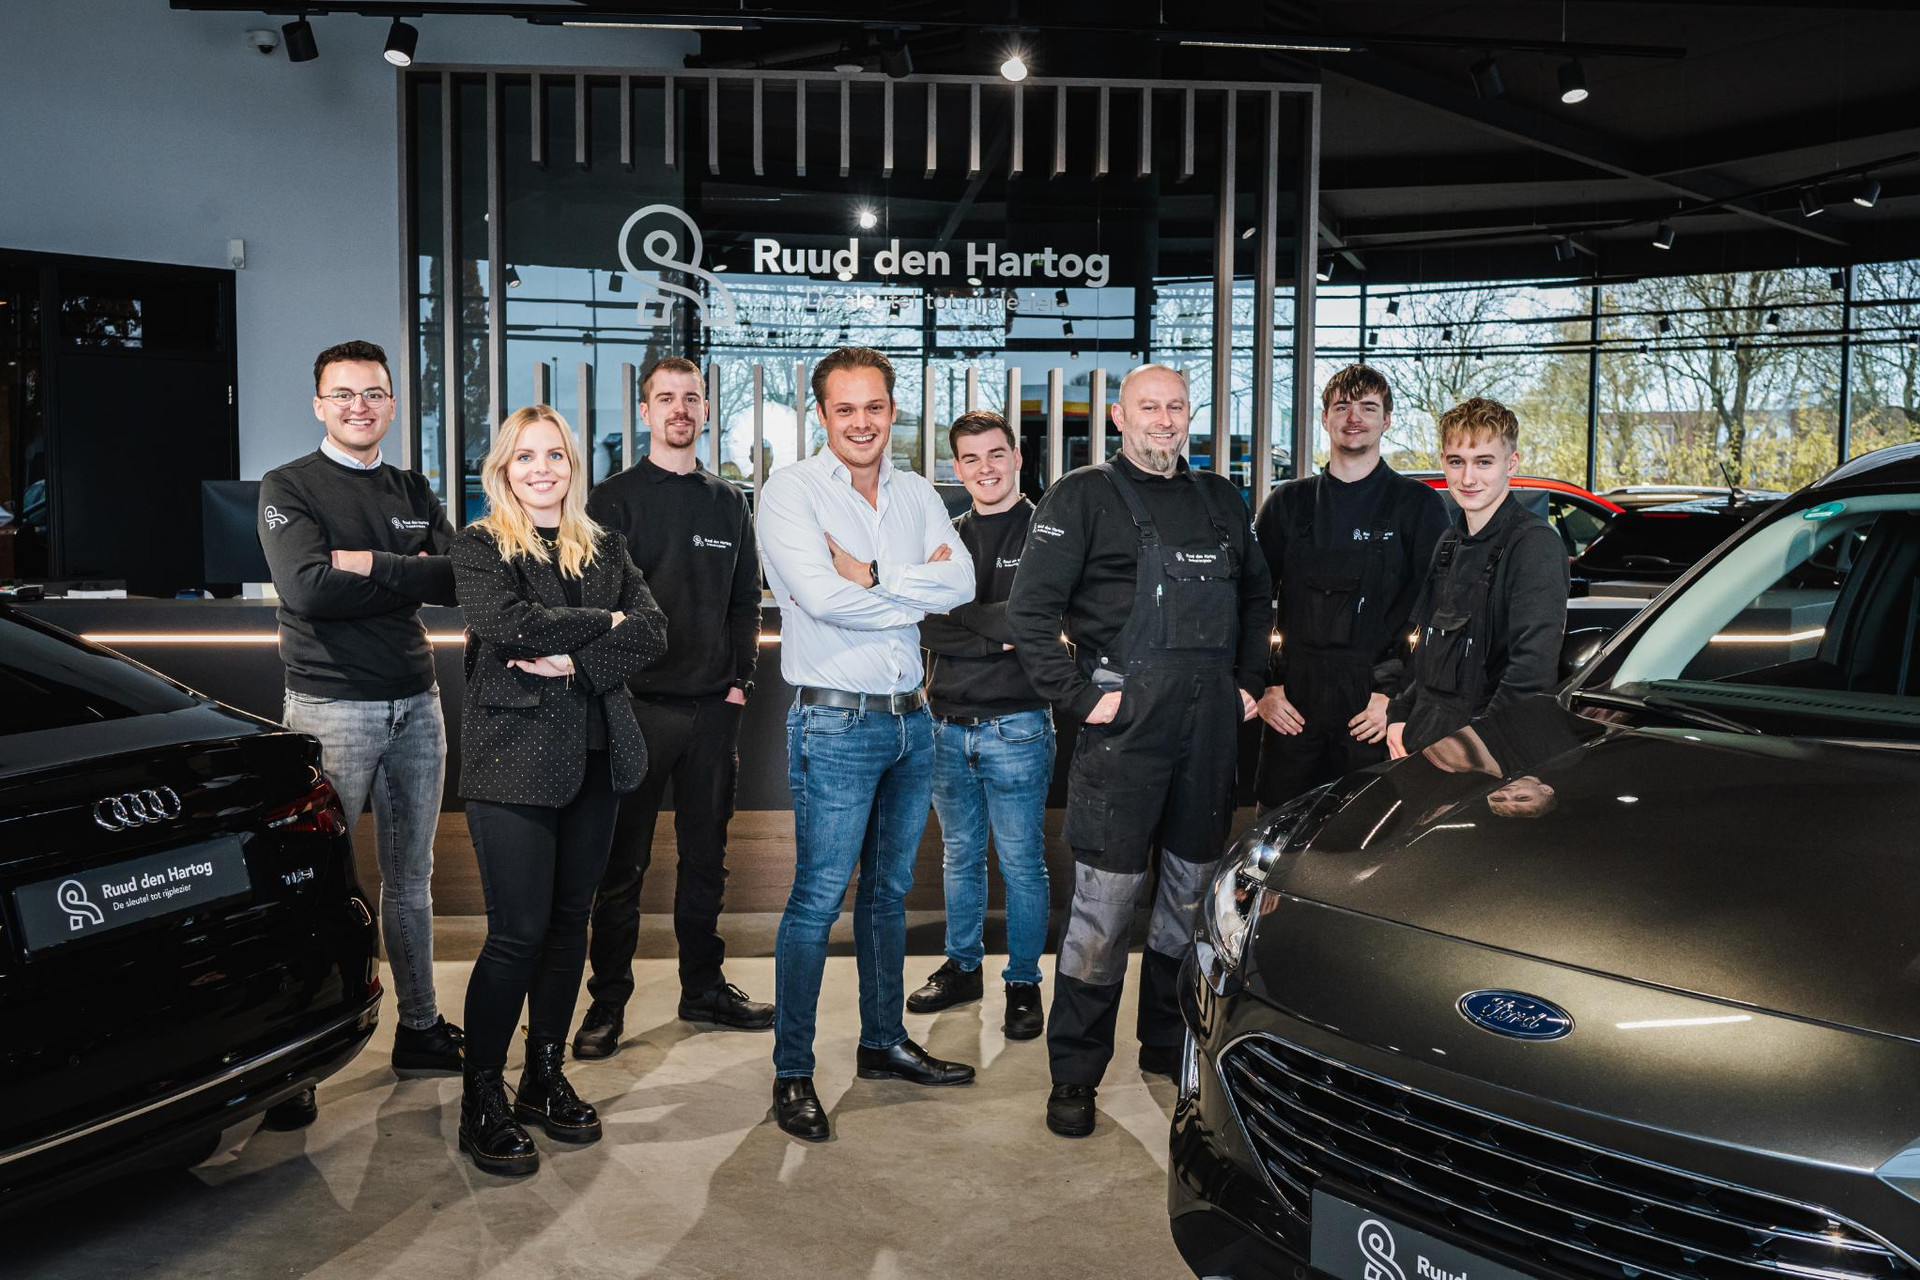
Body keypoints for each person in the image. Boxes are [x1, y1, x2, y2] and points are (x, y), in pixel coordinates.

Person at [1006, 363, 1271, 1139]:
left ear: (1189, 414)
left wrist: (1249, 681)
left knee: (1189, 899)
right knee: (1104, 908)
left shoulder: (1221, 499)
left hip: (1208, 732)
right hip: (1125, 736)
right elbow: (1030, 612)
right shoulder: (1081, 498)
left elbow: (1257, 596)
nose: (1164, 419)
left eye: (1175, 406)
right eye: (1148, 407)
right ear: (1120, 417)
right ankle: (1075, 1073)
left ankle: (1164, 1040)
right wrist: (1082, 697)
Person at [755, 346, 978, 1143]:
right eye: (845, 409)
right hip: (836, 723)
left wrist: (872, 574)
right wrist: (909, 586)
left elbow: (962, 586)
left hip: (913, 720)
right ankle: (793, 1071)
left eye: (874, 407)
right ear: (821, 415)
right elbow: (819, 598)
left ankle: (882, 1043)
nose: (861, 422)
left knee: (887, 896)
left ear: (893, 411)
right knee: (817, 900)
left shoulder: (917, 493)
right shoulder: (791, 491)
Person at [450, 405, 669, 1176]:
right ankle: (483, 1094)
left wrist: (578, 660)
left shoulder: (604, 545)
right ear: (503, 469)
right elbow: (509, 624)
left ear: (573, 467)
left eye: (555, 456)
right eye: (525, 457)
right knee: (517, 932)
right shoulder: (480, 545)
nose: (541, 469)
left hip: (598, 757)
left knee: (571, 922)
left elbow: (653, 629)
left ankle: (543, 1074)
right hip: (512, 762)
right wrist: (604, 619)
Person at [258, 339, 463, 1130]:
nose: (358, 406)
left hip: (417, 701)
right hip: (331, 707)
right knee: (315, 882)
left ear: (392, 404)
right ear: (319, 404)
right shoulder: (289, 486)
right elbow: (308, 589)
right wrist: (404, 572)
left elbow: (455, 578)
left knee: (410, 878)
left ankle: (421, 1028)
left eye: (373, 393)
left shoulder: (411, 487)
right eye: (342, 394)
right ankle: (298, 1061)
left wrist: (369, 565)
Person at [572, 357, 771, 1059]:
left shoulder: (728, 501)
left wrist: (739, 681)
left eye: (691, 397)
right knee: (621, 866)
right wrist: (610, 689)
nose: (679, 409)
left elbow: (745, 600)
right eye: (666, 398)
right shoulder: (612, 501)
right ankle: (607, 1003)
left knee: (706, 858)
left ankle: (703, 987)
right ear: (646, 410)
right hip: (634, 709)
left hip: (713, 710)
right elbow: (591, 607)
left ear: (706, 409)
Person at [910, 410, 1052, 1041]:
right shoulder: (944, 535)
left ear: (1017, 457)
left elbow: (1034, 623)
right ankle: (963, 967)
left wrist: (968, 616)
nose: (985, 468)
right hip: (945, 723)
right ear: (957, 467)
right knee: (961, 856)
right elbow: (923, 622)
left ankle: (1023, 982)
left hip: (1018, 724)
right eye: (971, 458)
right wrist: (994, 630)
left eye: (996, 454)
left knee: (1022, 862)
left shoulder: (1047, 532)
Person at [1253, 365, 1448, 809]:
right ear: (1325, 418)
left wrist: (1396, 699)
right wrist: (1265, 686)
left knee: (1369, 833)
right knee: (1276, 834)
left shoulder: (1418, 506)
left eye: (1368, 407)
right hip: (1293, 707)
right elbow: (1250, 601)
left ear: (1387, 420)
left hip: (1373, 707)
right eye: (1342, 407)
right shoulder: (1288, 504)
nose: (1354, 417)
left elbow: (1436, 612)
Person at [1386, 397, 1569, 759]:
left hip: (1488, 752)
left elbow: (1531, 674)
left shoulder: (1535, 545)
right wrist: (1399, 716)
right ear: (1444, 462)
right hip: (1424, 742)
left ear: (1511, 463)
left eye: (1484, 462)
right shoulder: (1449, 543)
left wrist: (1475, 749)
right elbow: (1427, 651)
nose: (1468, 478)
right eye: (1457, 462)